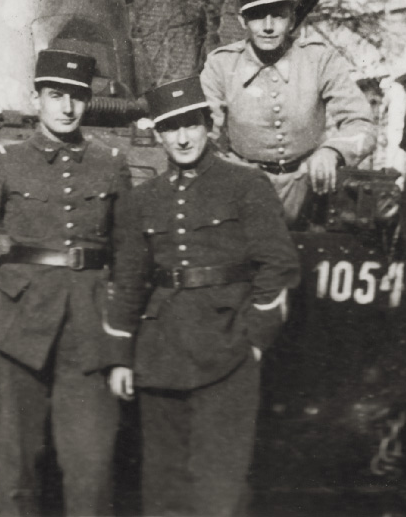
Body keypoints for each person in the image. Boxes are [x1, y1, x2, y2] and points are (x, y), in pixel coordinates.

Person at [105, 76, 300, 517]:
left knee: (220, 485)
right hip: (160, 354)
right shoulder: (141, 201)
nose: (183, 137)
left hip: (228, 349)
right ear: (158, 135)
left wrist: (255, 338)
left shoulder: (246, 186)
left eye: (191, 124)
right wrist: (120, 355)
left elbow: (278, 264)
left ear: (209, 126)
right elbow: (130, 280)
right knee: (163, 482)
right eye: (171, 127)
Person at [0, 49, 131, 517]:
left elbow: (130, 256)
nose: (66, 107)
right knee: (20, 467)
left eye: (76, 97)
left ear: (88, 102)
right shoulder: (4, 162)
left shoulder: (111, 164)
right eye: (56, 95)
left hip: (91, 333)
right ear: (37, 100)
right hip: (22, 332)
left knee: (91, 470)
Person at [200, 0, 376, 224]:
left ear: (292, 21)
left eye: (279, 16)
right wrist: (227, 171)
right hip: (243, 190)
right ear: (242, 22)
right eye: (258, 17)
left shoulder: (319, 59)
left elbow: (362, 124)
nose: (269, 27)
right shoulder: (222, 65)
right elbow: (202, 132)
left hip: (311, 189)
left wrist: (332, 152)